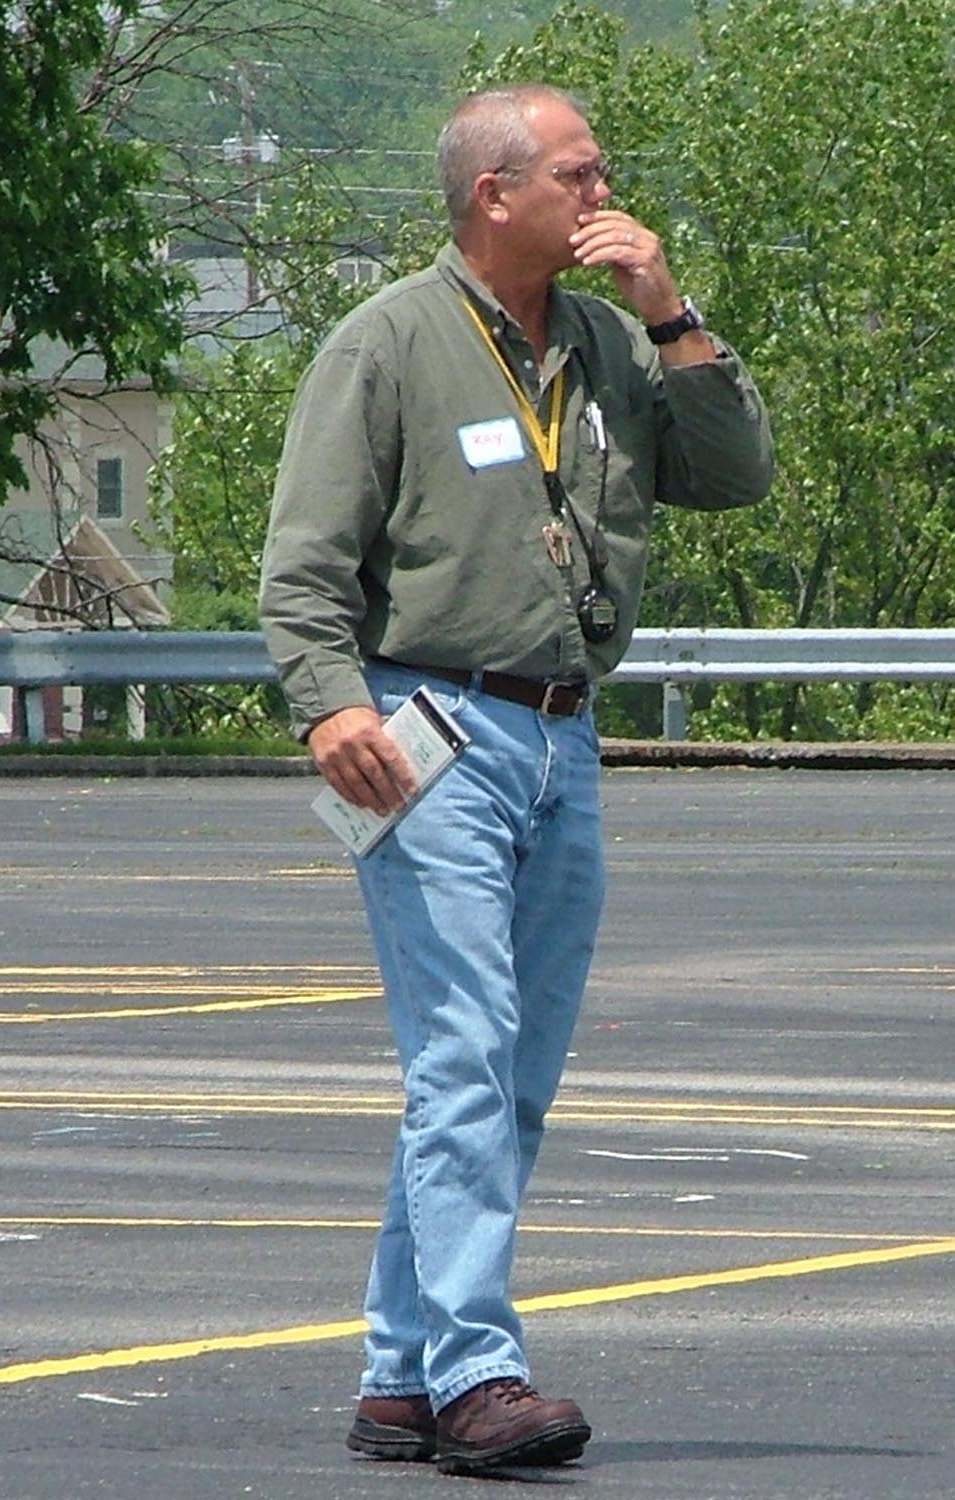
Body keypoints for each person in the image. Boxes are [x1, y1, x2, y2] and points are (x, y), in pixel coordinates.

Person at [259, 82, 773, 1476]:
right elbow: (304, 564)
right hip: (427, 731)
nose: (604, 196)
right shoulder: (387, 344)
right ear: (495, 194)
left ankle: (397, 1376)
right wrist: (328, 707)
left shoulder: (607, 341)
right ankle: (477, 1372)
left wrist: (671, 313)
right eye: (578, 175)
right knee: (467, 1055)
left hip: (562, 734)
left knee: (509, 1071)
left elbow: (733, 474)